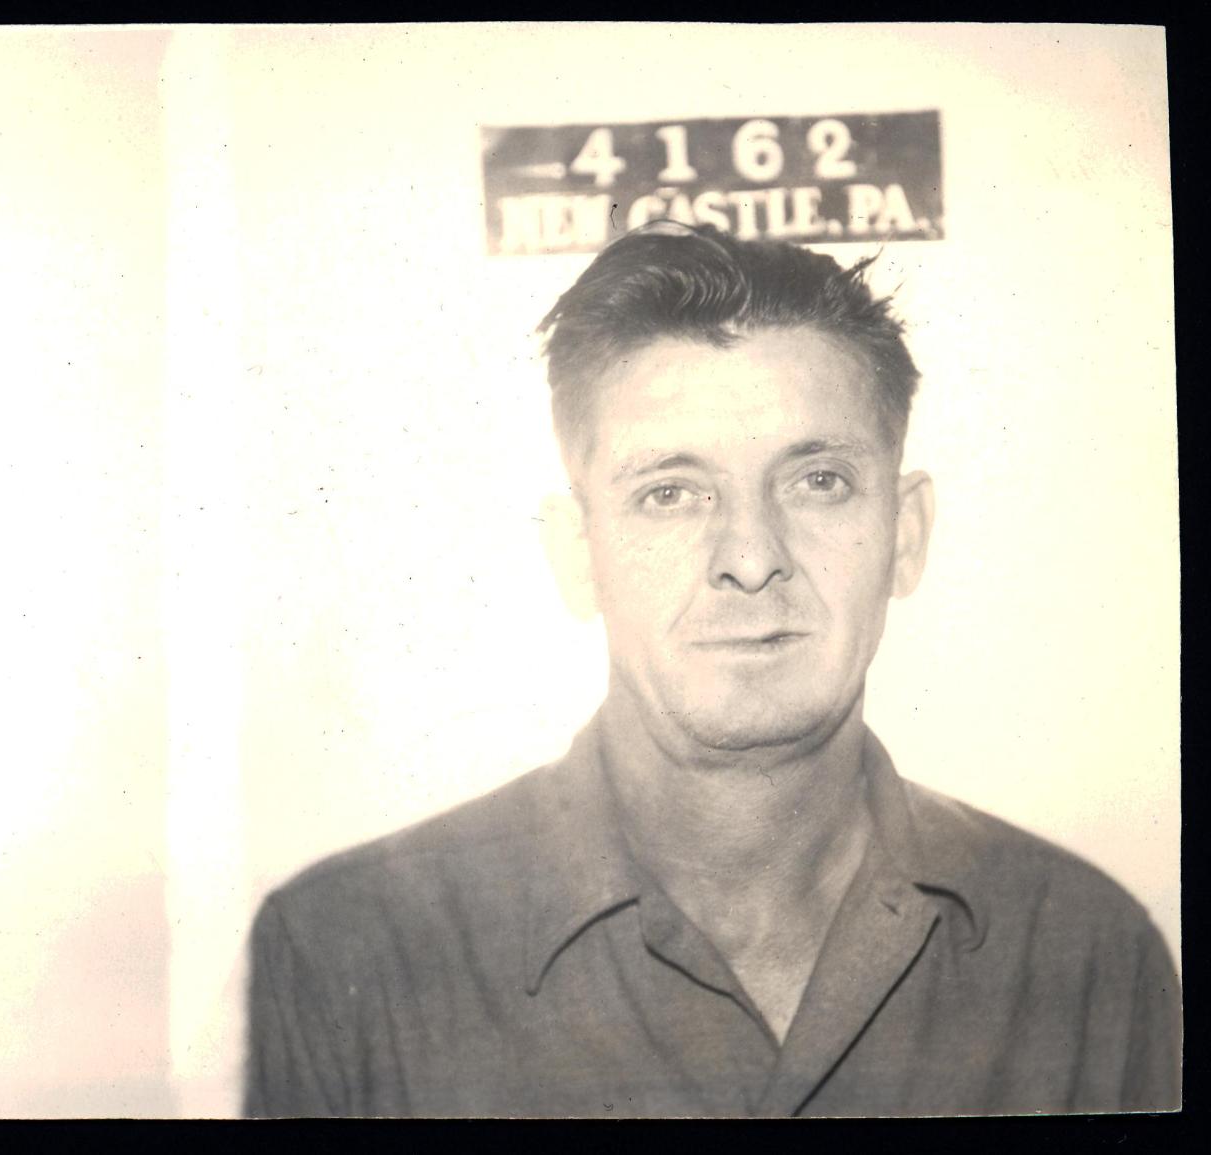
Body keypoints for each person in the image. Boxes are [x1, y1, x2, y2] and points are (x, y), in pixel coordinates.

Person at [243, 222, 1181, 1117]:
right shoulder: (349, 954)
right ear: (579, 553)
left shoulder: (1090, 954)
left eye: (818, 481)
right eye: (670, 493)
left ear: (906, 534)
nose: (751, 556)